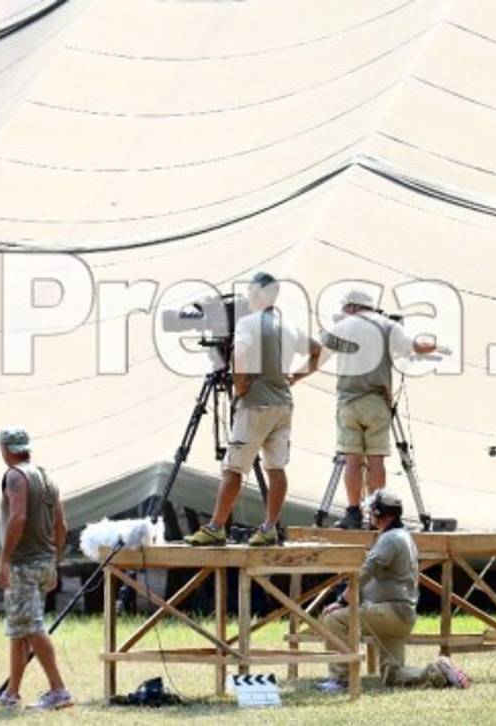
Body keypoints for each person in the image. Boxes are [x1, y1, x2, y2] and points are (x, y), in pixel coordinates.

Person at [185, 272, 322, 547]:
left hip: (256, 404)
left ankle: (215, 527)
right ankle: (269, 527)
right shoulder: (288, 324)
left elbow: (240, 354)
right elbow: (318, 350)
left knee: (234, 468)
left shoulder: (248, 322)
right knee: (276, 467)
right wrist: (295, 376)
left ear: (259, 293)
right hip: (283, 403)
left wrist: (239, 385)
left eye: (250, 291)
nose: (247, 296)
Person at [318, 490, 469, 692]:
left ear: (382, 514)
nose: (369, 514)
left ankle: (341, 679)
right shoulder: (401, 536)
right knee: (393, 674)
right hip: (399, 615)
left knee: (335, 618)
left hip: (389, 612)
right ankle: (438, 670)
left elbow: (365, 573)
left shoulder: (390, 539)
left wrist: (343, 601)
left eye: (372, 510)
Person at [317, 289, 436, 529]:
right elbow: (414, 347)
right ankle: (376, 513)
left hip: (348, 402)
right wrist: (434, 345)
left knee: (351, 459)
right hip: (377, 401)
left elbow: (319, 354)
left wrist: (295, 376)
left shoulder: (342, 327)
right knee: (376, 460)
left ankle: (352, 512)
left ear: (350, 307)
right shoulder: (387, 326)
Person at [0, 428, 73, 711]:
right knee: (19, 628)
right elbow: (61, 525)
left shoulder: (16, 476)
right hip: (44, 561)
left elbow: (18, 517)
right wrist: (54, 561)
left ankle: (58, 690)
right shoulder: (48, 477)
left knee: (32, 627)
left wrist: (3, 559)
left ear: (5, 449)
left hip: (23, 564)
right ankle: (11, 693)